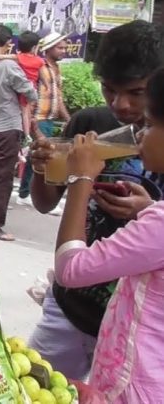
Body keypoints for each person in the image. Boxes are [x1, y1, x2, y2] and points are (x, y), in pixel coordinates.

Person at [28, 20, 164, 380]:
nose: (121, 104)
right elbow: (44, 202)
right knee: (39, 386)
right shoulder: (90, 124)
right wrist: (44, 165)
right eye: (109, 89)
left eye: (137, 92)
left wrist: (145, 210)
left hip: (140, 325)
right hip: (73, 307)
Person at [51, 68, 164, 402]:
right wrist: (147, 210)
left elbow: (70, 270)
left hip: (131, 385)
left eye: (150, 125)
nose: (139, 136)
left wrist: (80, 180)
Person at [0, 24, 38, 241]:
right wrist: (34, 95)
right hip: (7, 125)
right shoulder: (8, 66)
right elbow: (29, 91)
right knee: (2, 178)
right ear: (7, 43)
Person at [16, 32, 71, 207]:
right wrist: (31, 120)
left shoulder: (55, 68)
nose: (64, 51)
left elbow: (58, 98)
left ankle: (25, 194)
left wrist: (69, 119)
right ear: (48, 49)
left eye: (64, 47)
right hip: (38, 117)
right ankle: (27, 194)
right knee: (42, 157)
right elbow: (29, 92)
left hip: (49, 118)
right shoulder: (40, 66)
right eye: (60, 48)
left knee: (40, 157)